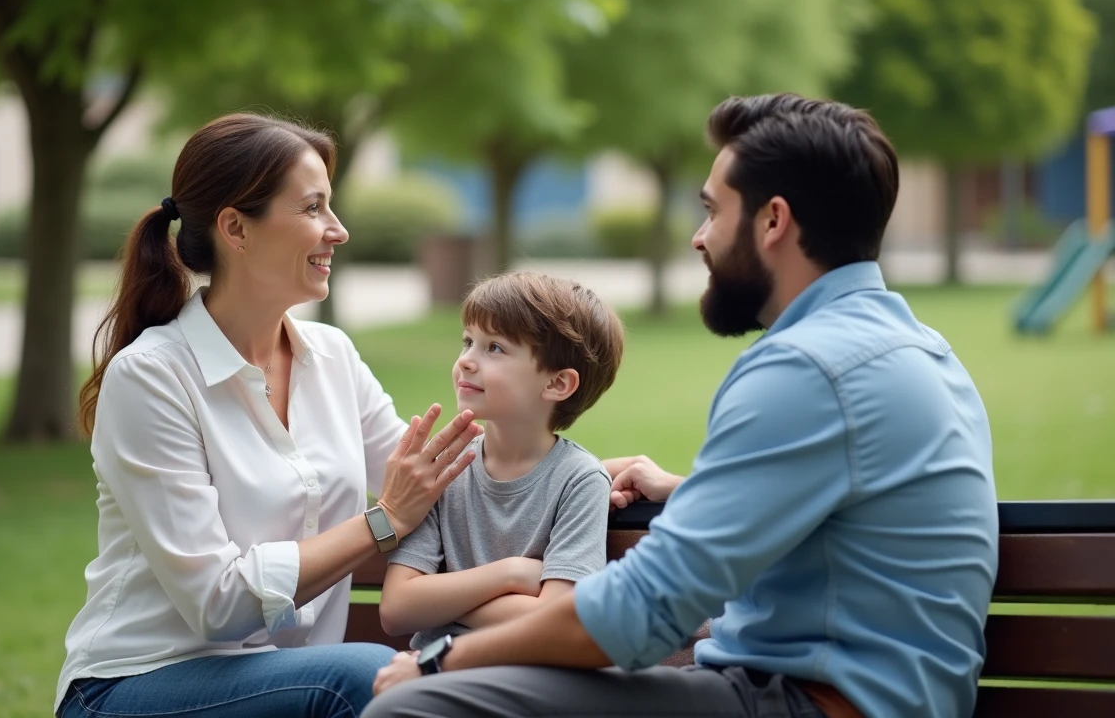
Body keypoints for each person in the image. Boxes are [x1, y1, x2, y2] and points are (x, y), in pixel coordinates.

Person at [365, 94, 999, 718]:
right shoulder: (918, 348)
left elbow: (638, 613)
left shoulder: (806, 368)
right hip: (855, 694)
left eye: (712, 211)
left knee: (416, 709)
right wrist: (690, 491)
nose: (699, 238)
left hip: (809, 701)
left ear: (773, 221)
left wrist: (437, 662)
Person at [55, 113, 482, 718]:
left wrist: (584, 474)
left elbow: (440, 479)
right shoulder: (151, 377)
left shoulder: (331, 355)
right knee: (367, 676)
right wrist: (382, 521)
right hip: (134, 686)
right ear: (236, 228)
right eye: (312, 209)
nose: (338, 231)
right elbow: (219, 603)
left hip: (286, 682)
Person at [379, 272, 624, 651]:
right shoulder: (442, 470)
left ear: (557, 384)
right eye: (468, 342)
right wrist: (509, 574)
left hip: (521, 679)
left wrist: (442, 603)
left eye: (494, 348)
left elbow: (557, 621)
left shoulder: (581, 480)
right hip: (429, 672)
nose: (466, 362)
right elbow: (397, 608)